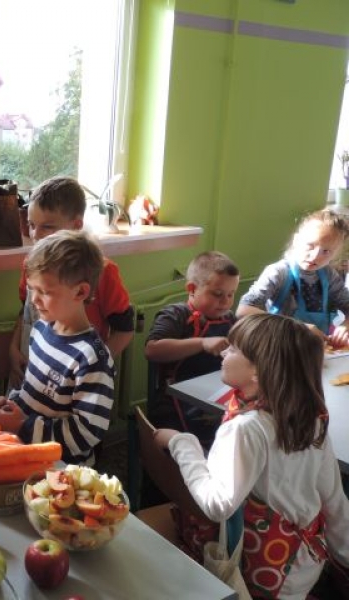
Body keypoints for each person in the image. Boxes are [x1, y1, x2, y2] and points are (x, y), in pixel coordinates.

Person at [155, 314, 349, 599]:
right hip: (304, 561)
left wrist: (182, 443)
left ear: (258, 371)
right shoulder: (309, 416)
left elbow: (217, 505)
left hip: (263, 570)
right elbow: (333, 498)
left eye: (233, 349)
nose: (224, 353)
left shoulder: (246, 428)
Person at [0, 229, 116, 465]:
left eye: (44, 292)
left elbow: (87, 433)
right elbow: (31, 392)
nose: (34, 299)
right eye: (33, 289)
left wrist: (22, 425)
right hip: (26, 450)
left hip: (61, 469)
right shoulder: (40, 329)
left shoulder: (91, 359)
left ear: (80, 291)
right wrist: (11, 405)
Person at [8, 176, 134, 390]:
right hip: (31, 369)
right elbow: (26, 312)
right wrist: (13, 349)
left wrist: (92, 369)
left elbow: (125, 329)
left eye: (47, 227)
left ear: (76, 225)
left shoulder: (103, 272)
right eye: (31, 225)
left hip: (72, 381)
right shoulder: (32, 263)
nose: (35, 235)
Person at [144, 251, 240, 441]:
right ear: (192, 288)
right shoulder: (175, 315)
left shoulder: (229, 318)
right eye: (218, 294)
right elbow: (152, 350)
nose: (226, 301)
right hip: (173, 400)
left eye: (231, 294)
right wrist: (202, 343)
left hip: (214, 395)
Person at [237, 208, 349, 347]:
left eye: (326, 251)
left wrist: (345, 327)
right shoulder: (279, 272)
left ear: (335, 254)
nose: (315, 256)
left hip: (314, 350)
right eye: (310, 246)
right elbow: (244, 310)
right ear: (296, 240)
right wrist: (301, 327)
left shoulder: (329, 275)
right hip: (279, 348)